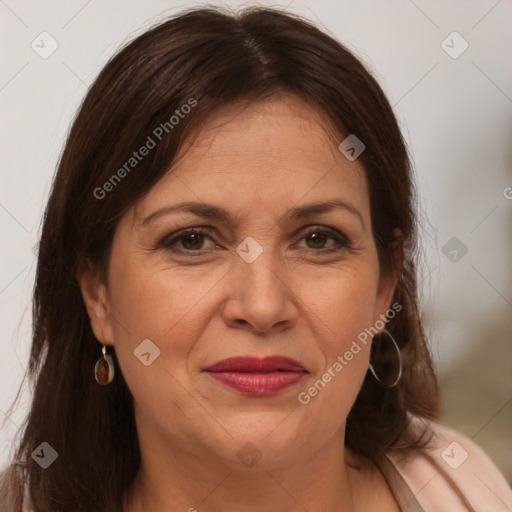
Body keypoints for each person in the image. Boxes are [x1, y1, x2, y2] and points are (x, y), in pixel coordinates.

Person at [1, 5, 510, 512]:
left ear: (384, 285)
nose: (263, 305)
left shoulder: (469, 493)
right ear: (98, 296)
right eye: (193, 241)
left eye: (317, 240)